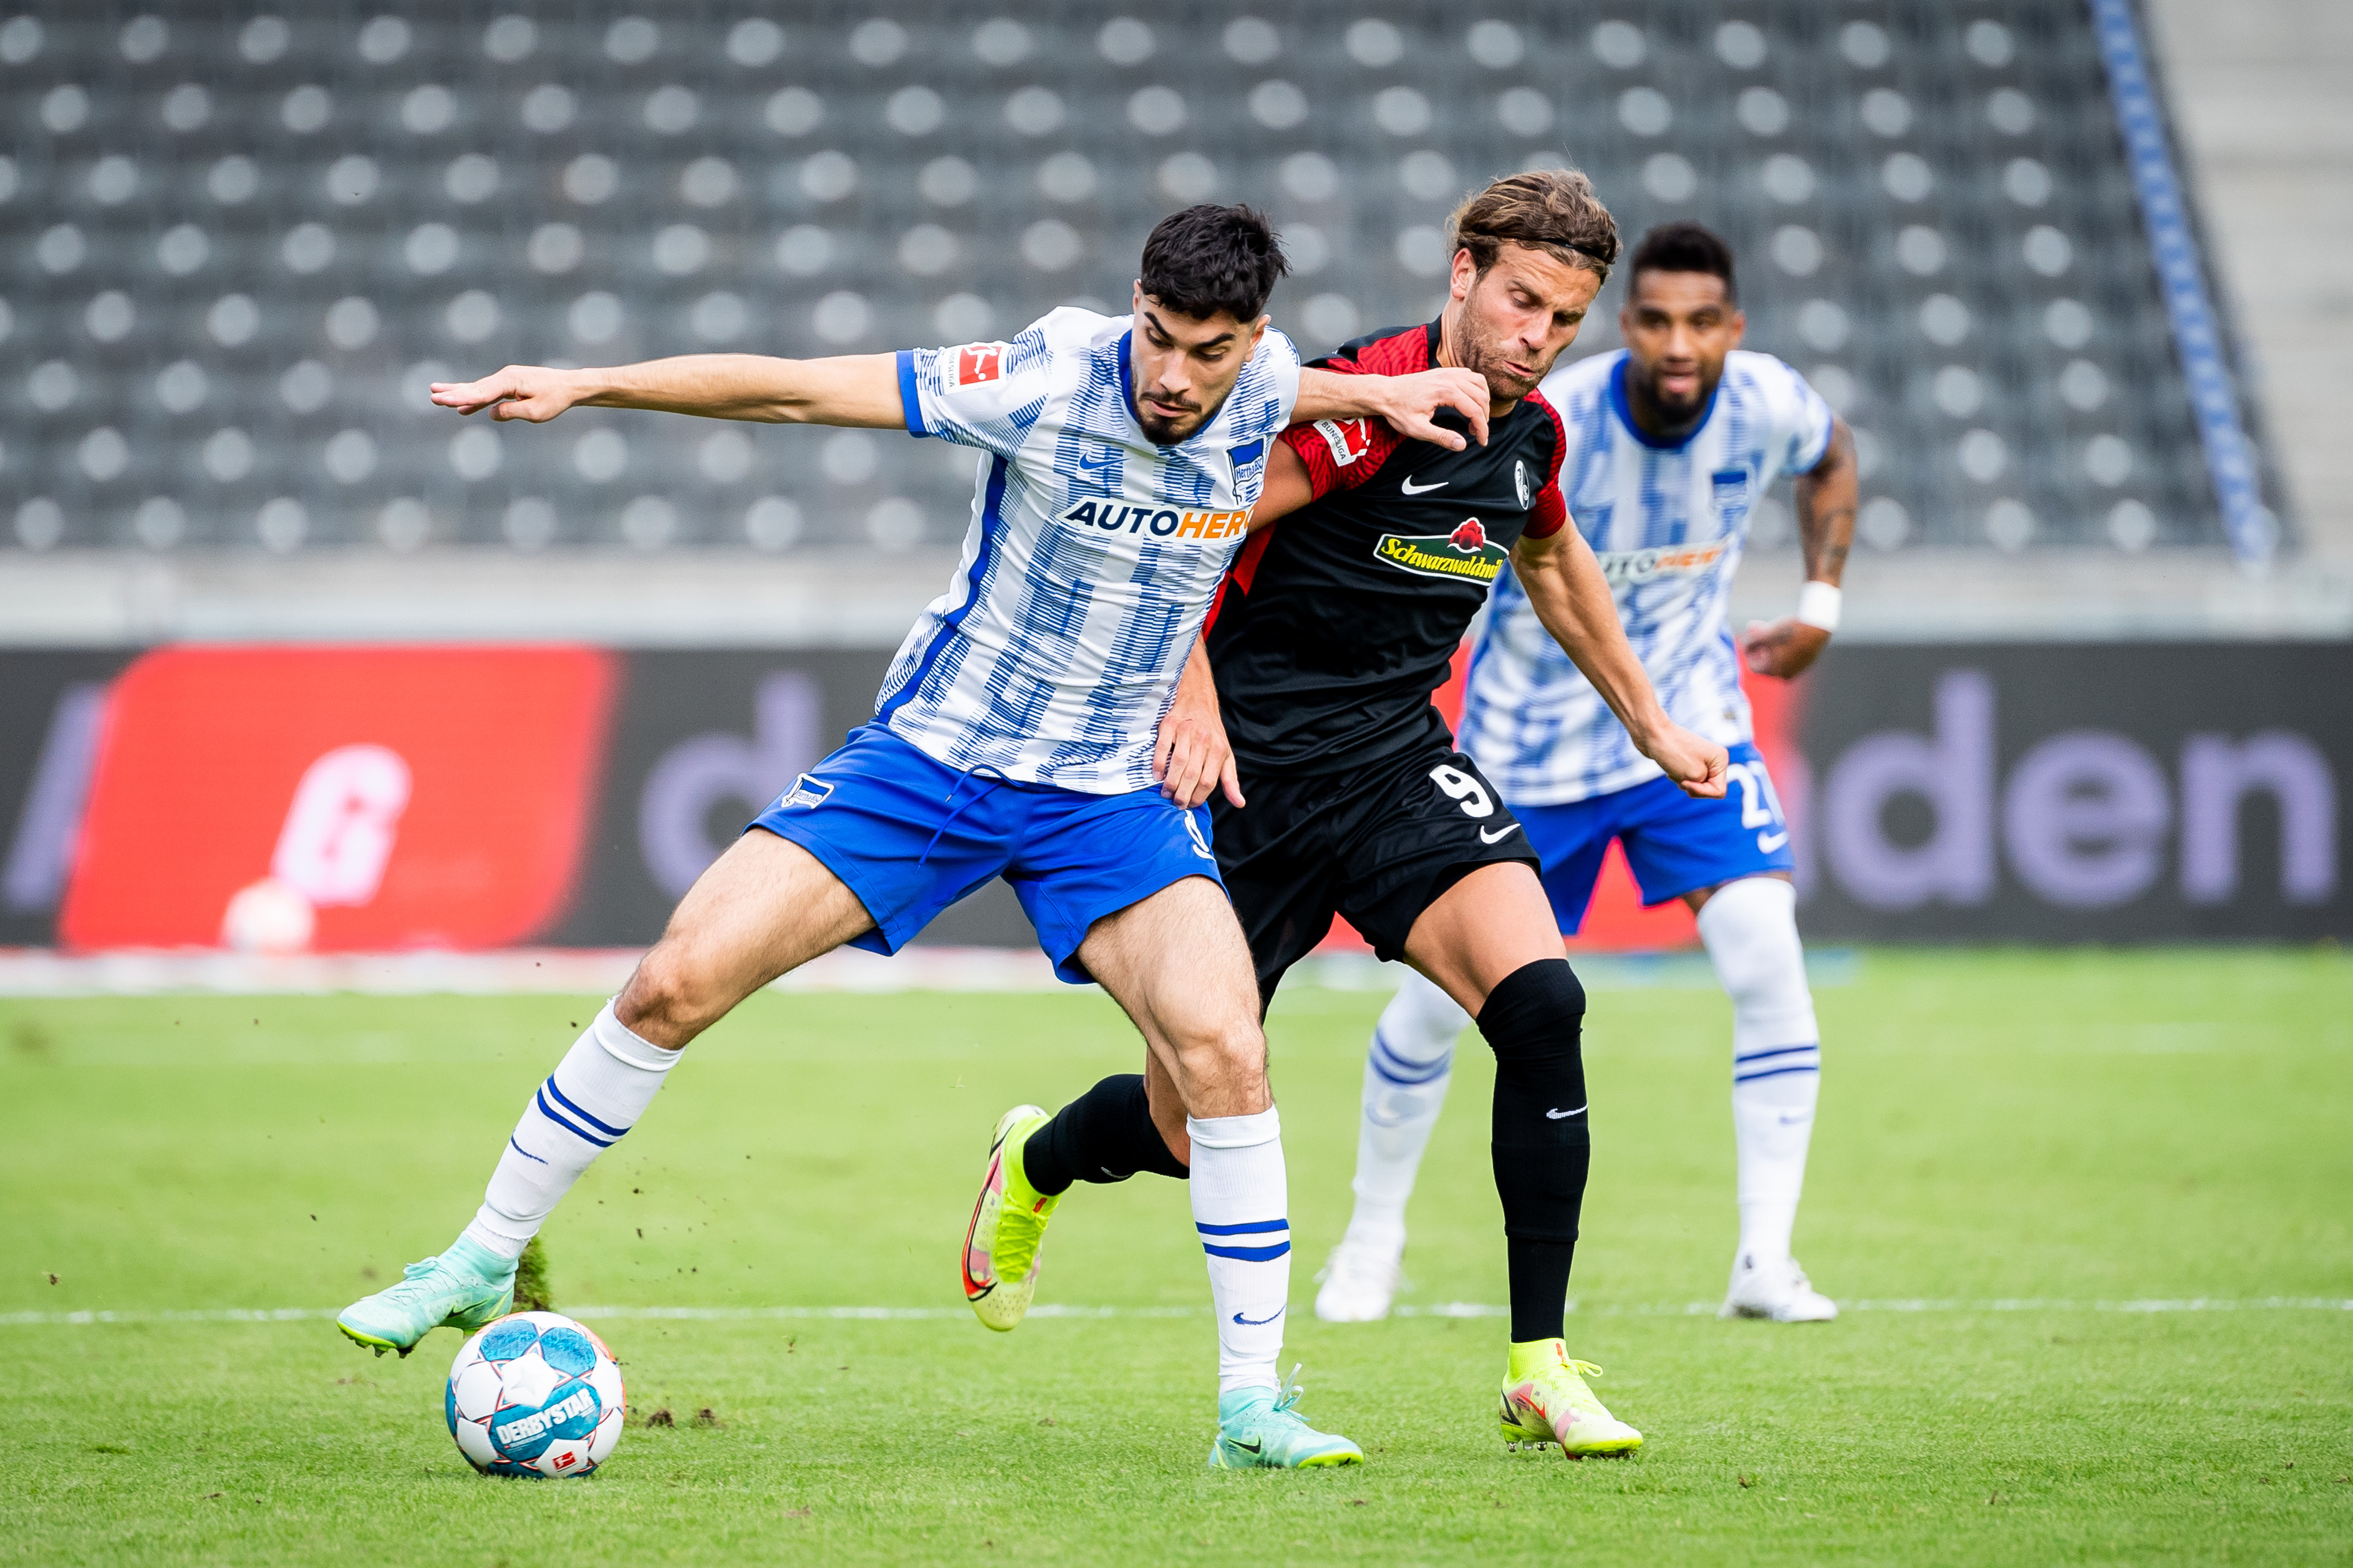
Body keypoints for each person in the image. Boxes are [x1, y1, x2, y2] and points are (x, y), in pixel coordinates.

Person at [337, 204, 1492, 1471]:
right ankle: (477, 1258)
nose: (1172, 375)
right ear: (1134, 309)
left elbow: (1295, 381)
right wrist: (595, 381)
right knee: (676, 982)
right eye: (1157, 338)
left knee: (1225, 1049)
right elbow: (800, 395)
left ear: (1250, 341)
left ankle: (1249, 1412)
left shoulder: (1268, 381)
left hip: (1106, 795)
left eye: (1206, 352)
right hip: (935, 761)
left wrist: (1387, 398)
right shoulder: (1049, 377)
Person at [960, 172, 1727, 1459]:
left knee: (1542, 1003)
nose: (1537, 337)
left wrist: (1648, 719)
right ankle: (1038, 1165)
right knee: (1183, 1126)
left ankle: (1539, 1363)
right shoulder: (1355, 407)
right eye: (1522, 301)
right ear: (1464, 273)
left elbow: (1551, 555)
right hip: (1240, 779)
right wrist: (1189, 688)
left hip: (1390, 767)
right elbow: (1177, 527)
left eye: (1565, 320)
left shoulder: (1527, 435)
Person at [1315, 221, 1859, 1329]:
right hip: (1528, 748)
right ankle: (1371, 1239)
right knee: (1432, 1012)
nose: (1676, 342)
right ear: (1626, 324)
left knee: (1766, 953)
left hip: (1687, 728)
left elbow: (1833, 453)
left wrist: (1819, 605)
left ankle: (1766, 1258)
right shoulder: (1554, 424)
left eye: (1700, 321)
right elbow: (1534, 560)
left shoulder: (1768, 401)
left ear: (1732, 330)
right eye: (1653, 318)